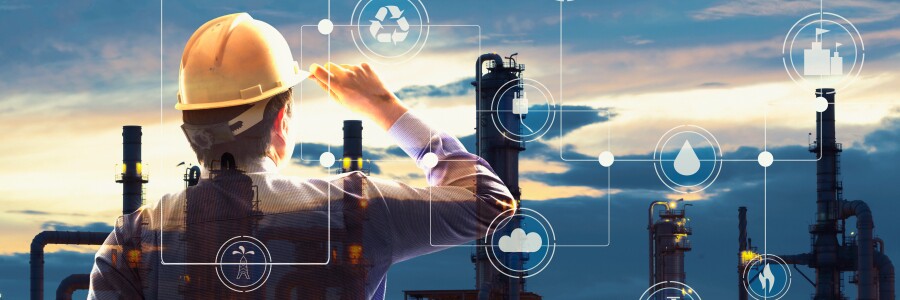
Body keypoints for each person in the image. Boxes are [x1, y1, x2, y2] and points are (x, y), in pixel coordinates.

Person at [88, 13, 514, 299]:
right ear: (281, 120)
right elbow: (491, 203)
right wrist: (386, 108)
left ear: (190, 130)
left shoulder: (131, 243)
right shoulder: (356, 210)